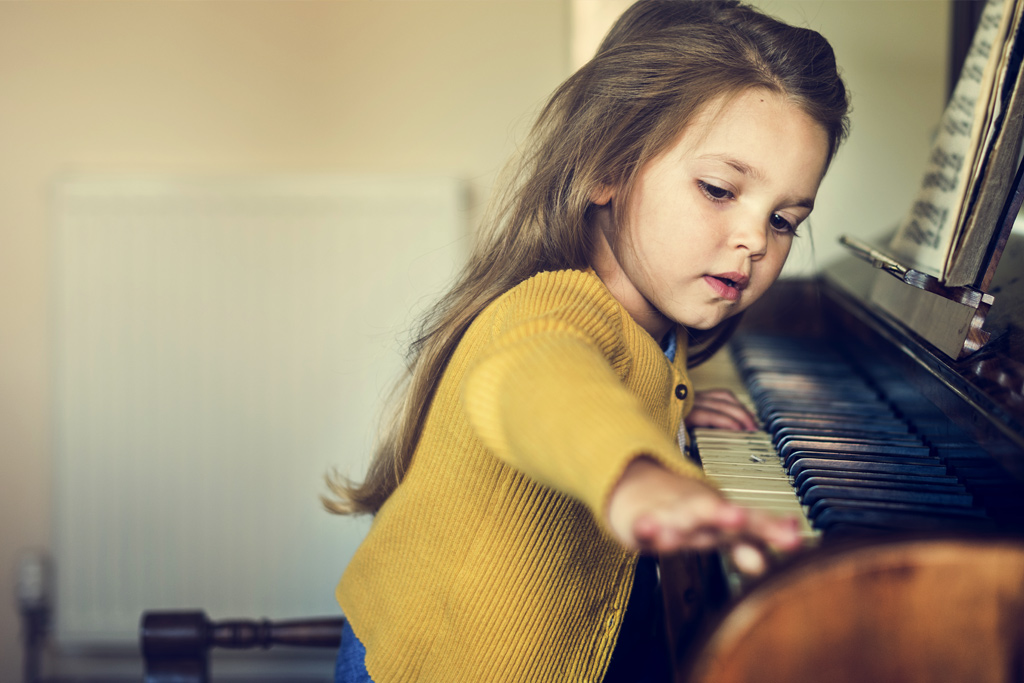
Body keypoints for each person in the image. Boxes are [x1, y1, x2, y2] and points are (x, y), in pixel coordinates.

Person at [324, 1, 850, 681]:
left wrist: (667, 409)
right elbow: (543, 383)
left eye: (783, 219)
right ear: (607, 166)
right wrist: (636, 472)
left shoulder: (658, 320)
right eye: (719, 189)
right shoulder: (548, 310)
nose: (754, 239)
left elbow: (614, 376)